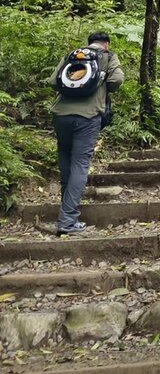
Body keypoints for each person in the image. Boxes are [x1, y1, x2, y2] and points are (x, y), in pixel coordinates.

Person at [47, 31, 124, 236]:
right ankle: (68, 220)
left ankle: (66, 213)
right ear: (106, 44)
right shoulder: (108, 56)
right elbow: (117, 81)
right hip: (88, 116)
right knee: (80, 164)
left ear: (89, 43)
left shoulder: (72, 54)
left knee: (65, 157)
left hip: (61, 114)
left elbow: (54, 81)